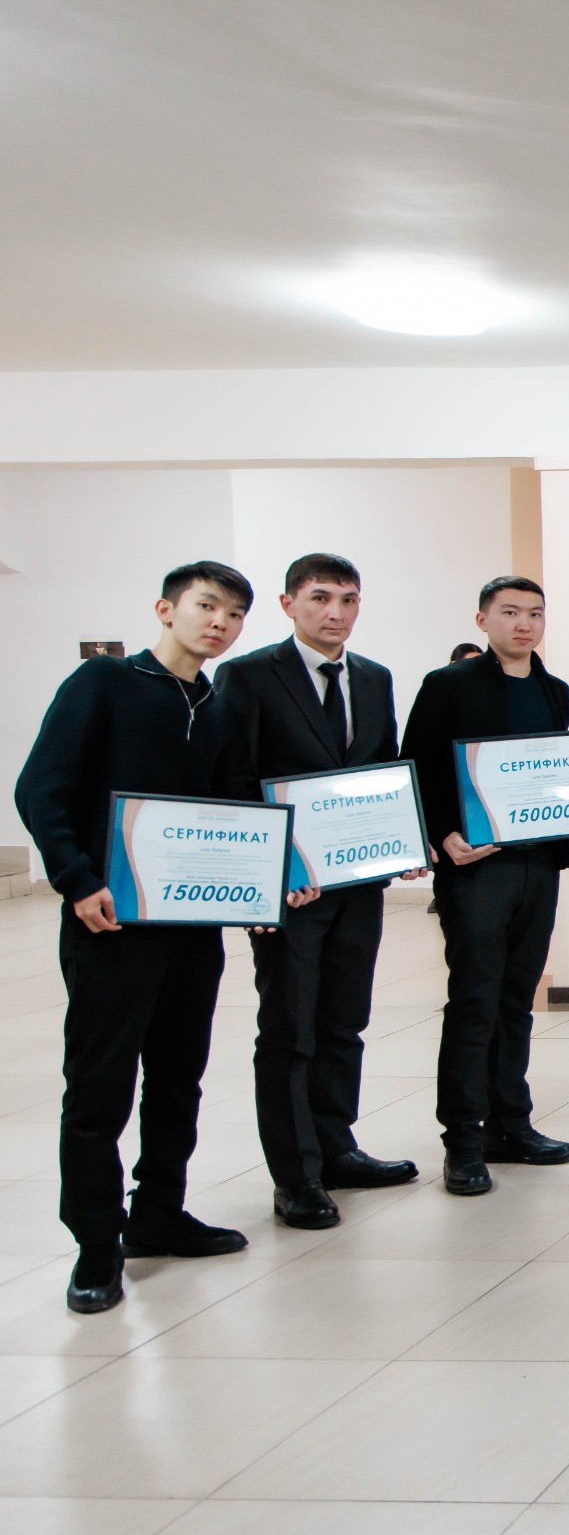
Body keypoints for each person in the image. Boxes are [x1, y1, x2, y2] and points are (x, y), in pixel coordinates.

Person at [15, 562, 262, 1314]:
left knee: (179, 1076)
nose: (219, 623)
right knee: (100, 1084)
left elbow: (233, 807)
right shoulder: (104, 683)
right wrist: (76, 878)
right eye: (206, 606)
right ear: (165, 608)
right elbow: (41, 788)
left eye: (234, 614)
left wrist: (259, 882)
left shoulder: (220, 705)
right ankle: (97, 1240)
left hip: (192, 924)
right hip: (112, 923)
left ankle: (159, 1212)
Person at [214, 552, 421, 1232]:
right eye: (321, 598)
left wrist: (402, 839)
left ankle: (336, 1147)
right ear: (289, 604)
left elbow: (383, 767)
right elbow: (234, 780)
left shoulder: (374, 677)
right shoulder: (247, 676)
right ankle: (296, 1175)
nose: (336, 612)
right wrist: (272, 870)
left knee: (343, 1021)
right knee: (290, 1029)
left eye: (349, 600)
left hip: (358, 883)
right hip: (292, 890)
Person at [400, 576, 569, 1195]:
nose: (523, 624)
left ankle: (511, 1123)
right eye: (509, 612)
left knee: (516, 1000)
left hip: (538, 864)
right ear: (483, 620)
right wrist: (442, 834)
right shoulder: (448, 685)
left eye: (535, 613)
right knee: (475, 1000)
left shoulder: (555, 691)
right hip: (477, 867)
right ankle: (463, 1139)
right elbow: (417, 765)